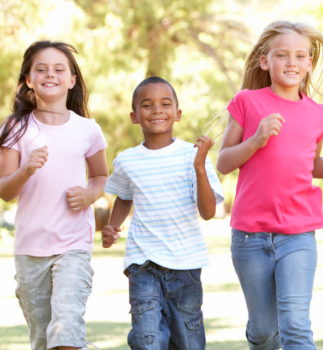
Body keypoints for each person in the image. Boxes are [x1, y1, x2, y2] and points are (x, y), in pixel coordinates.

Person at [216, 20, 323, 350]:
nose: (292, 62)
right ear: (265, 61)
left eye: (300, 56)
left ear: (308, 63)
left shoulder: (317, 114)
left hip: (298, 234)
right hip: (250, 236)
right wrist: (256, 139)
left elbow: (311, 162)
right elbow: (223, 163)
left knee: (295, 324)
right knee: (264, 332)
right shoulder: (247, 102)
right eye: (282, 55)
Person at [0, 41, 108, 350]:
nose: (50, 74)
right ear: (28, 80)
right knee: (44, 340)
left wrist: (88, 195)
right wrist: (26, 170)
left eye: (59, 69)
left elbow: (100, 176)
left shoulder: (88, 129)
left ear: (72, 80)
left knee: (66, 328)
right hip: (30, 249)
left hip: (73, 245)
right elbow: (4, 190)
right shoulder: (15, 127)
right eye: (40, 69)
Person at [101, 76, 224, 350]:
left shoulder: (192, 156)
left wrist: (200, 167)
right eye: (147, 105)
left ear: (177, 114)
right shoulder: (126, 160)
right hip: (143, 263)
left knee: (188, 344)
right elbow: (124, 196)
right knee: (148, 340)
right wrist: (113, 226)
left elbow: (208, 212)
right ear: (134, 116)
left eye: (165, 104)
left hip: (186, 266)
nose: (157, 110)